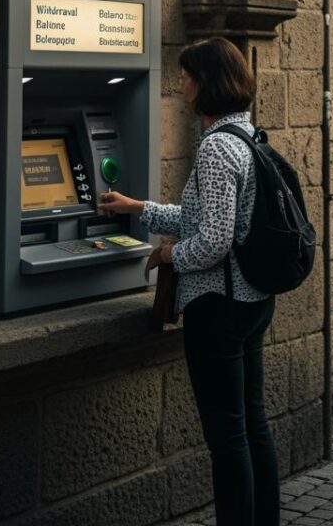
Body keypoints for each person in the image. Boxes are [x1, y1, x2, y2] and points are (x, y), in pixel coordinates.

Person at [100, 38, 279, 526]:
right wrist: (139, 209)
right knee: (251, 423)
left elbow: (213, 240)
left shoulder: (217, 147)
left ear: (205, 82)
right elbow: (210, 219)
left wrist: (165, 253)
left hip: (219, 307)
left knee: (228, 439)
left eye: (186, 75)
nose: (181, 85)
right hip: (251, 300)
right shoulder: (248, 137)